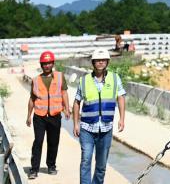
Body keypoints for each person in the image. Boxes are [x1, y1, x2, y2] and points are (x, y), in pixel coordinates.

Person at [72, 48, 125, 184]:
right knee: (86, 161)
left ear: (107, 62)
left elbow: (121, 97)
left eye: (103, 60)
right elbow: (77, 103)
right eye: (97, 60)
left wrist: (122, 119)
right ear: (93, 63)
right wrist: (76, 124)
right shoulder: (84, 80)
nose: (100, 63)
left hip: (106, 129)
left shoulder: (115, 78)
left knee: (101, 166)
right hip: (87, 129)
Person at [25, 51, 69, 178]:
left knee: (53, 142)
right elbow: (32, 99)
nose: (47, 65)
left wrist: (67, 108)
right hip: (39, 116)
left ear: (53, 63)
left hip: (55, 115)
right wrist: (28, 115)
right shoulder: (36, 80)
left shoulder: (60, 77)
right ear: (41, 64)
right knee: (38, 142)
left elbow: (64, 93)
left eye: (49, 63)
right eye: (45, 63)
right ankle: (34, 169)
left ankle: (51, 166)